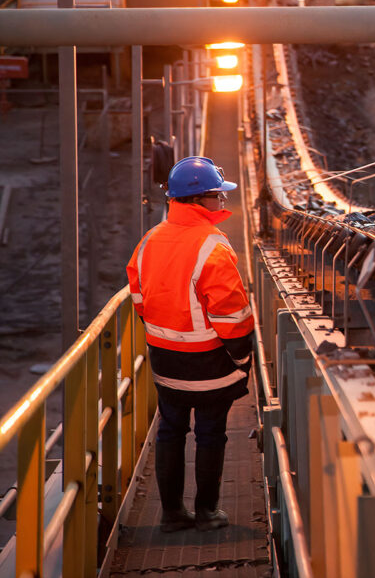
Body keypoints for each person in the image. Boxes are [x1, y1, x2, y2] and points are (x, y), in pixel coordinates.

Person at [126, 156, 254, 532]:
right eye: (218, 195)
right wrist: (241, 357)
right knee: (210, 433)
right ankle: (207, 511)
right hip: (208, 364)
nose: (223, 203)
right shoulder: (212, 246)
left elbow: (138, 298)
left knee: (171, 429)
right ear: (200, 200)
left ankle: (170, 513)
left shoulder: (149, 241)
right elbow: (231, 316)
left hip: (165, 361)